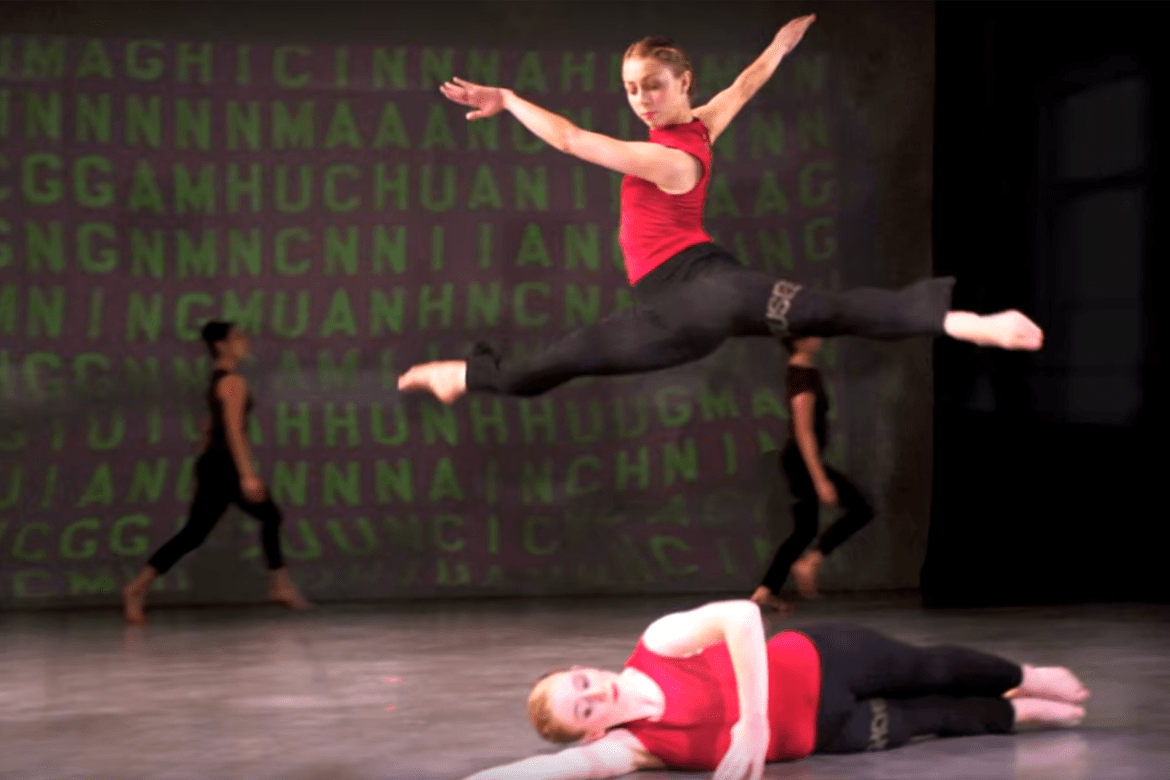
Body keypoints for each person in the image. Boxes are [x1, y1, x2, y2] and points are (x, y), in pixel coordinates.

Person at [398, 14, 1043, 405]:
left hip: (705, 287)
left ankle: (965, 323)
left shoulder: (672, 160)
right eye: (630, 88)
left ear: (684, 81)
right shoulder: (702, 125)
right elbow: (746, 84)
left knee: (823, 308)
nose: (642, 99)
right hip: (667, 314)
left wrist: (509, 99)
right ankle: (465, 376)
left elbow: (571, 139)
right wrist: (780, 49)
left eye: (653, 84)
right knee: (552, 365)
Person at [461, 600, 1089, 780]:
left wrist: (752, 722)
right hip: (831, 735)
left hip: (826, 660)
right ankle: (1021, 714)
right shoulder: (631, 749)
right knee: (933, 719)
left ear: (584, 666)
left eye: (581, 682)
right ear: (594, 728)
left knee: (932, 670)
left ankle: (1024, 676)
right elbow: (556, 768)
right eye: (585, 708)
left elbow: (740, 614)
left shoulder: (658, 641)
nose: (594, 692)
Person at [121, 321, 310, 624]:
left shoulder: (219, 379)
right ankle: (280, 585)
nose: (246, 341)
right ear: (221, 345)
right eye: (238, 337)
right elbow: (235, 431)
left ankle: (136, 588)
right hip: (224, 465)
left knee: (195, 534)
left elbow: (214, 423)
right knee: (266, 518)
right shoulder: (233, 382)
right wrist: (247, 475)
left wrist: (207, 439)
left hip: (215, 463)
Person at [752, 336, 872, 612]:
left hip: (799, 461)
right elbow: (803, 430)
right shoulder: (802, 377)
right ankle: (811, 560)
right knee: (861, 509)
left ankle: (765, 591)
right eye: (814, 333)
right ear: (799, 341)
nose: (821, 337)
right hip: (801, 460)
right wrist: (820, 479)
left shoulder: (803, 372)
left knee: (804, 530)